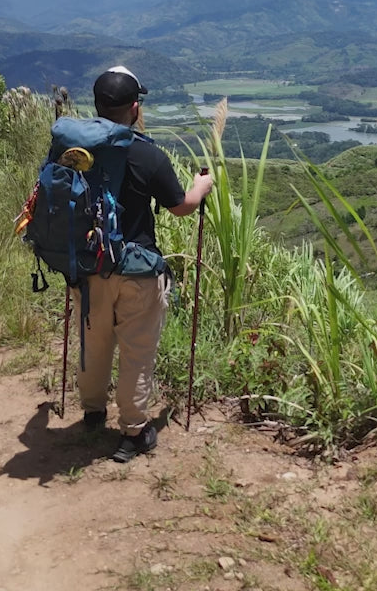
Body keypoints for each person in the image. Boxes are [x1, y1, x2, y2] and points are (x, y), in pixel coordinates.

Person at [77, 65, 214, 463]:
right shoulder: (147, 154)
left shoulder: (75, 151)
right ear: (135, 108)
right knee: (136, 350)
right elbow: (181, 208)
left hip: (88, 267)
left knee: (94, 341)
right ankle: (134, 431)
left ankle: (92, 411)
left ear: (97, 104)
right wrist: (201, 187)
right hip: (136, 269)